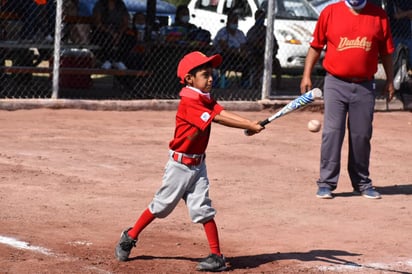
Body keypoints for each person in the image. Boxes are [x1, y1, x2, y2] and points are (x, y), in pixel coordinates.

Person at [114, 51, 264, 271]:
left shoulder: (204, 97)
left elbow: (221, 111)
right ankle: (130, 235)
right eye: (205, 75)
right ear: (189, 79)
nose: (211, 78)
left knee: (203, 209)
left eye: (211, 74)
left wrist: (249, 123)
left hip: (198, 165)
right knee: (161, 207)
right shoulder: (189, 100)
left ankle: (216, 256)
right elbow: (219, 118)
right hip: (179, 166)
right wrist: (248, 126)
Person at [300, 0, 395, 199]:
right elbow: (316, 46)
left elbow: (386, 53)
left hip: (365, 85)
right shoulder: (330, 12)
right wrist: (306, 75)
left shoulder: (379, 16)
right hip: (335, 82)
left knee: (361, 135)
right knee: (332, 133)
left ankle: (362, 183)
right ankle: (326, 183)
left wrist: (389, 81)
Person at [91, 0, 133, 70]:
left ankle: (118, 60)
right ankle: (107, 60)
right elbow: (98, 23)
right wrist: (111, 33)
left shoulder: (121, 4)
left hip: (118, 30)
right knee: (107, 38)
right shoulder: (100, 4)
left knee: (130, 38)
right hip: (103, 30)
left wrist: (119, 33)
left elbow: (126, 22)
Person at [246, 9, 282, 89]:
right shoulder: (252, 31)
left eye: (262, 17)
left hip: (269, 55)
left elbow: (275, 43)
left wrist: (273, 52)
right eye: (259, 17)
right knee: (259, 63)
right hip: (256, 54)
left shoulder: (267, 30)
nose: (261, 19)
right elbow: (253, 44)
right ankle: (255, 85)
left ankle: (278, 86)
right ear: (255, 18)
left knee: (277, 63)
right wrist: (262, 46)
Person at [213, 12, 250, 87]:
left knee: (248, 59)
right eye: (232, 21)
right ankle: (222, 83)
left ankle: (245, 83)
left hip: (239, 56)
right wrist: (238, 51)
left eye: (236, 21)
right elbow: (224, 47)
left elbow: (244, 46)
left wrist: (242, 52)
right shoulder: (223, 32)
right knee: (225, 56)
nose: (234, 23)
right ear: (228, 22)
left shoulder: (240, 33)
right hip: (224, 55)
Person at [385, 0, 412, 68]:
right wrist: (407, 13)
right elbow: (395, 15)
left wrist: (402, 13)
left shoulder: (409, 1)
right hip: (395, 35)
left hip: (407, 34)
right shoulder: (392, 1)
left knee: (410, 61)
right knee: (395, 62)